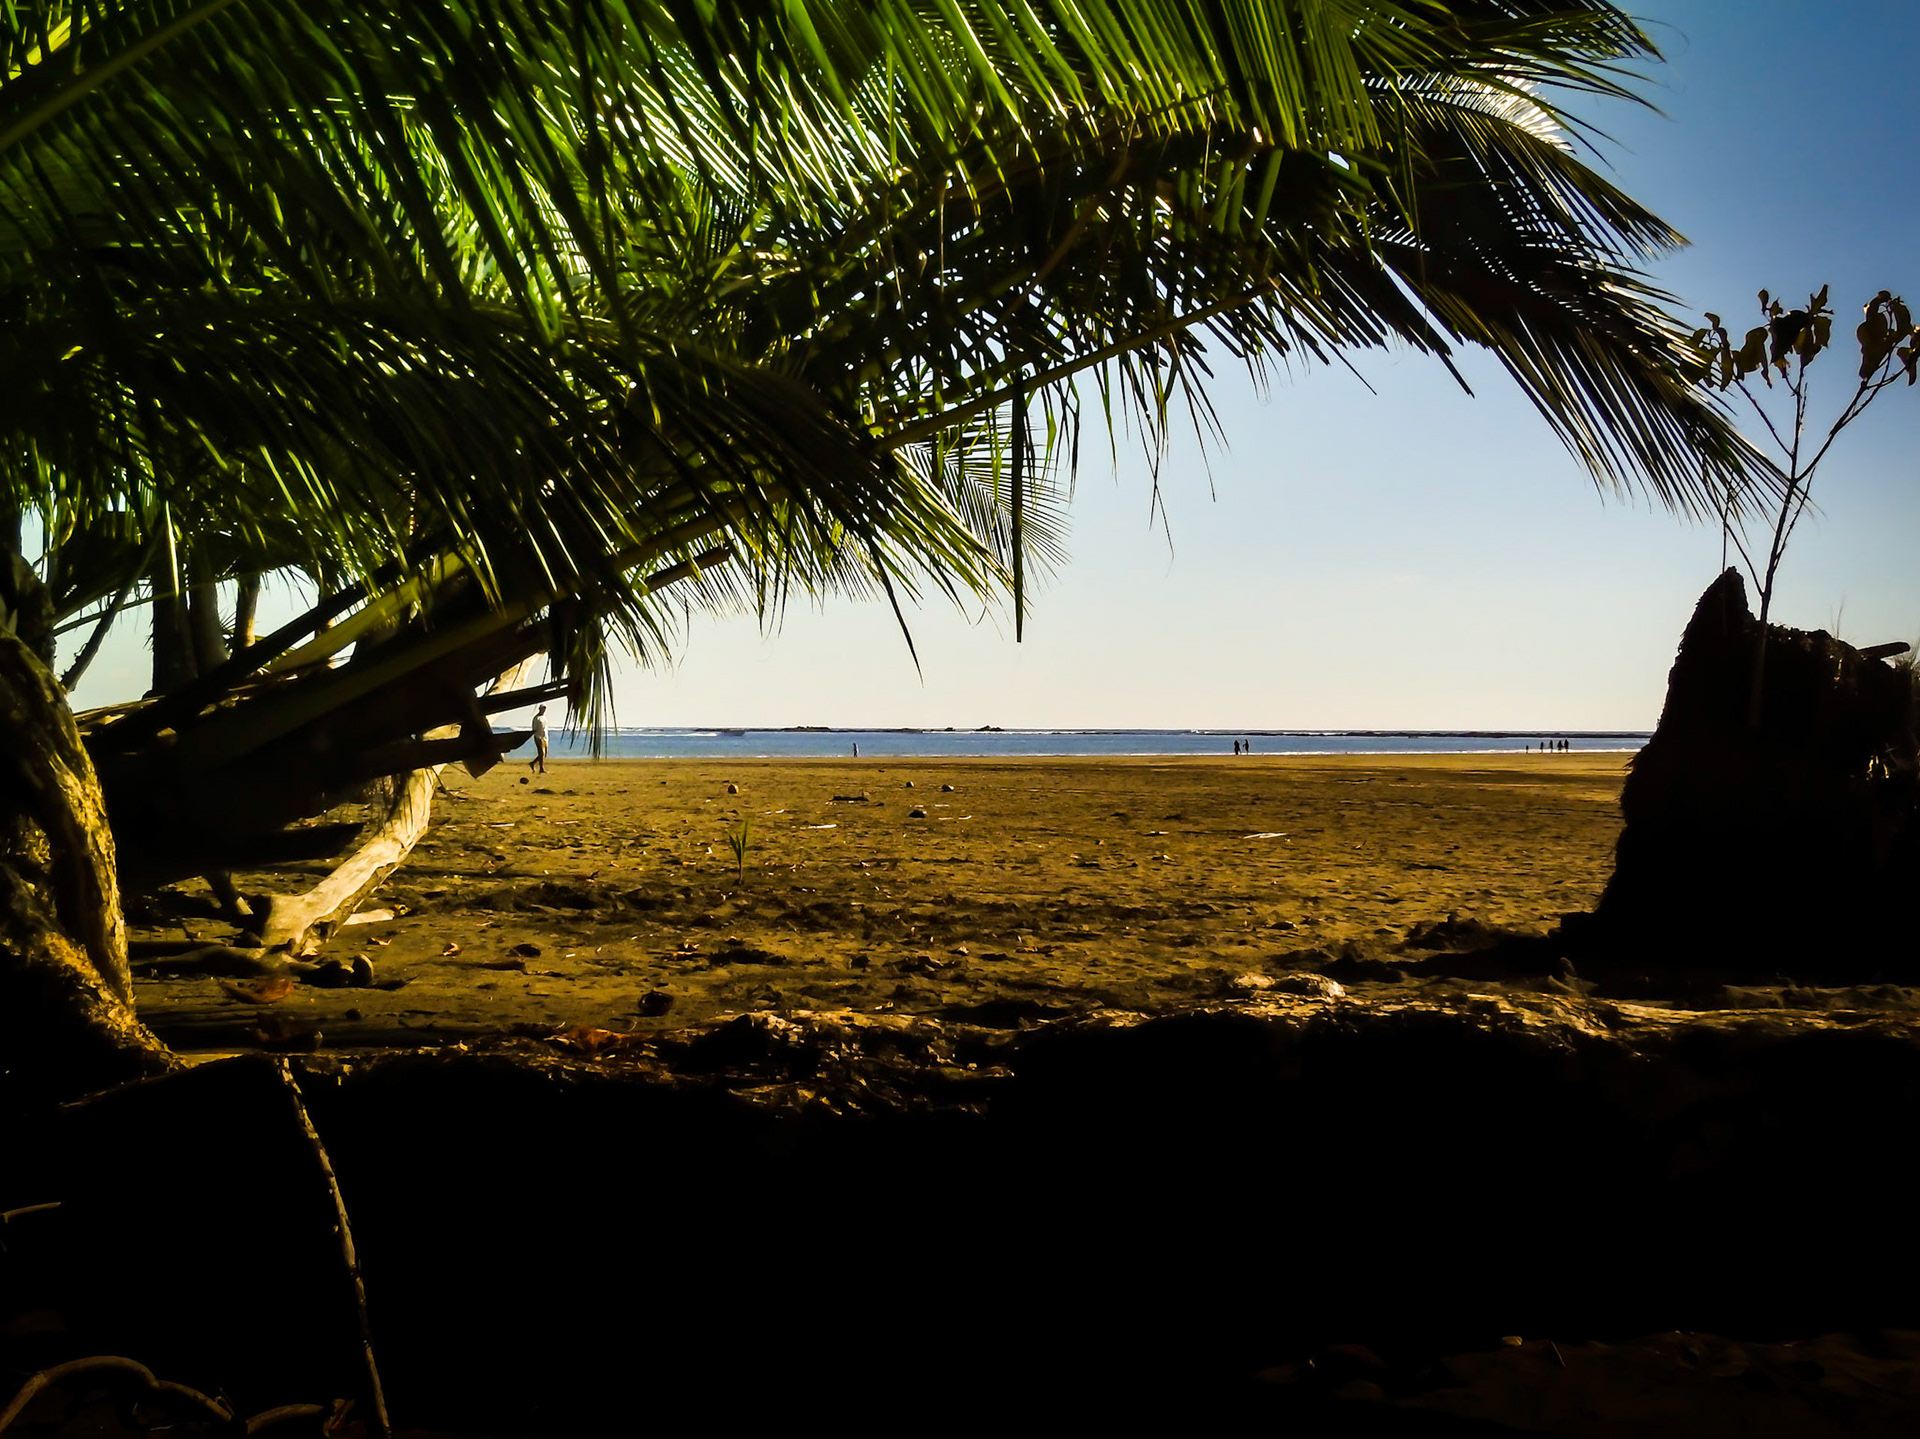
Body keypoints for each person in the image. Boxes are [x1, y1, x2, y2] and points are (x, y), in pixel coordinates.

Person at [529, 703, 549, 774]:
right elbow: (534, 729)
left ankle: (533, 763)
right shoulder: (536, 718)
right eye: (542, 708)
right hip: (538, 737)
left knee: (545, 753)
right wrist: (537, 737)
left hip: (545, 737)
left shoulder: (544, 717)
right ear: (539, 709)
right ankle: (541, 768)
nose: (543, 710)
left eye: (544, 708)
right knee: (541, 753)